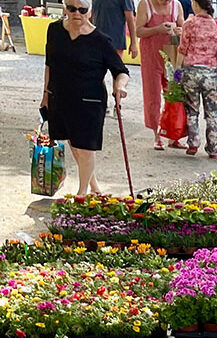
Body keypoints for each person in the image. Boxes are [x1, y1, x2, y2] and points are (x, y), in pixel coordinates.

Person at [41, 0, 129, 195]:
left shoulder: (101, 40)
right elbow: (49, 64)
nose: (76, 14)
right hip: (61, 97)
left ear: (90, 12)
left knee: (86, 146)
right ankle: (94, 187)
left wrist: (120, 87)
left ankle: (81, 194)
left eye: (82, 10)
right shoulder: (54, 30)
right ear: (65, 9)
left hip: (90, 101)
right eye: (71, 9)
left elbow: (121, 71)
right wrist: (45, 94)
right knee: (74, 143)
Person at [136, 0, 184, 147]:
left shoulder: (177, 5)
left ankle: (173, 135)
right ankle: (157, 135)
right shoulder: (145, 4)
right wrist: (157, 29)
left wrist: (179, 30)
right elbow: (138, 31)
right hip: (151, 55)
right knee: (153, 96)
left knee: (174, 94)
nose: (166, 2)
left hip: (171, 54)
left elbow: (183, 26)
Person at [177, 0, 217, 157]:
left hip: (191, 72)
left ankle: (193, 143)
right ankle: (213, 148)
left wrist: (177, 72)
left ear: (196, 4)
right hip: (211, 74)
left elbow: (182, 49)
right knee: (212, 114)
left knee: (192, 110)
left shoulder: (190, 23)